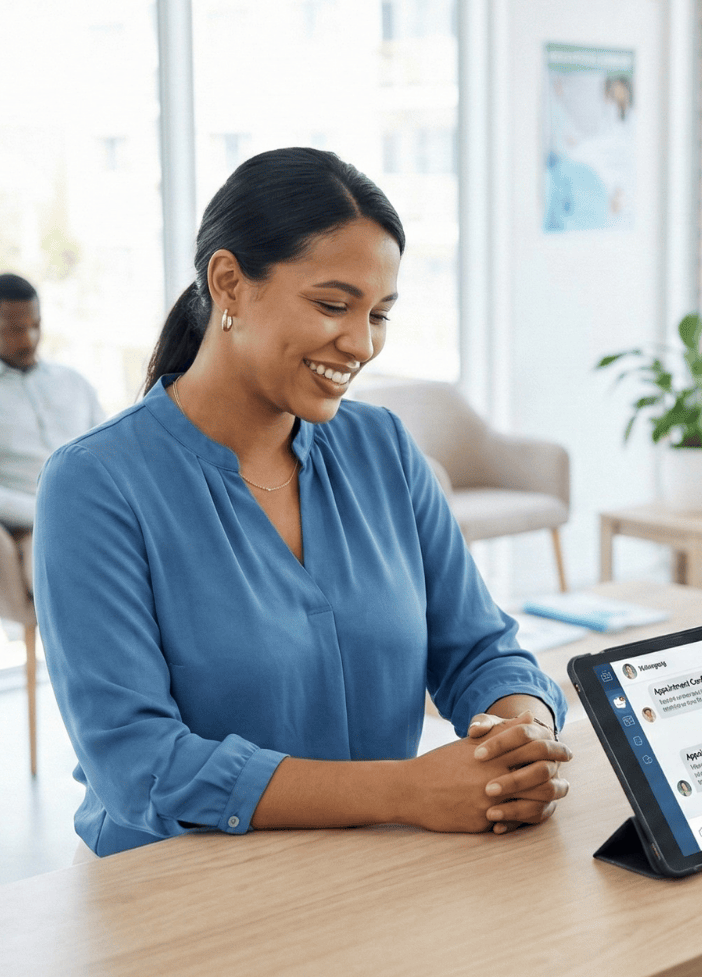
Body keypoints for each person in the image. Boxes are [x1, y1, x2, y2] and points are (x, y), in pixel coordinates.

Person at [35, 148, 571, 857]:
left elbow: (477, 649)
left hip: (376, 874)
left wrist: (520, 734)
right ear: (229, 283)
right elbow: (140, 764)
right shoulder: (95, 485)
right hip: (175, 895)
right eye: (332, 304)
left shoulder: (382, 447)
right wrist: (407, 791)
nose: (362, 343)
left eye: (380, 313)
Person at [0, 273, 105, 580]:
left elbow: (110, 458)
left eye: (35, 326)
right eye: (13, 330)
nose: (28, 340)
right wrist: (42, 510)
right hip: (31, 530)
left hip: (97, 515)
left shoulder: (74, 383)